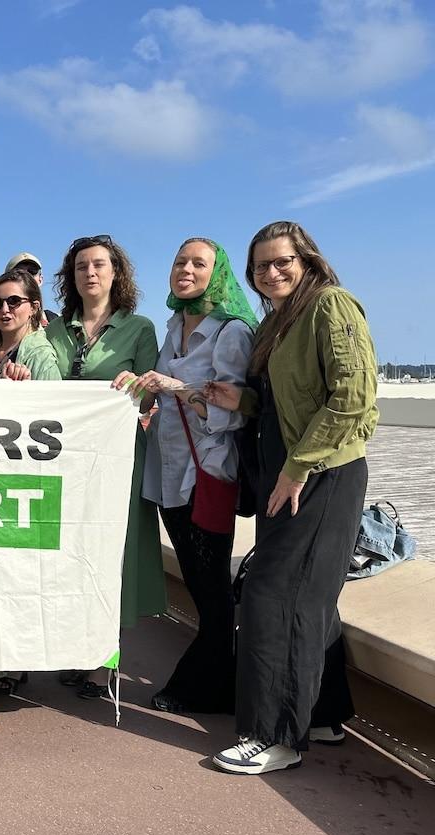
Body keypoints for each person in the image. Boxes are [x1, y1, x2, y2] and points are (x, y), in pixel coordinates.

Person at [203, 222, 377, 776]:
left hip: (322, 474)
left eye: (282, 262)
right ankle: (323, 714)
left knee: (274, 596)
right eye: (260, 266)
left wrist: (298, 469)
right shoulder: (279, 322)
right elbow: (286, 405)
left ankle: (275, 735)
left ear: (307, 261)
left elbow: (353, 398)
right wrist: (243, 401)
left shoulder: (331, 306)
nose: (271, 273)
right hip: (286, 474)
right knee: (309, 598)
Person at [111, 238, 257, 716]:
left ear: (217, 274)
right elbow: (154, 395)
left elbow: (232, 412)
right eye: (179, 262)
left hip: (206, 473)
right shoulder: (174, 326)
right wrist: (133, 387)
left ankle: (211, 685)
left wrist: (178, 387)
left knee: (211, 586)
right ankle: (222, 681)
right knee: (199, 584)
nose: (185, 270)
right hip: (168, 473)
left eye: (199, 263)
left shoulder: (229, 331)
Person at [44, 235, 167, 697]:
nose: (89, 273)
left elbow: (151, 389)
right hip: (67, 464)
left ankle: (106, 658)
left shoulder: (139, 329)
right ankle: (75, 646)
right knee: (71, 554)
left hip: (117, 461)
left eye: (98, 265)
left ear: (117, 272)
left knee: (113, 553)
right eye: (80, 267)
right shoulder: (54, 331)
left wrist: (138, 383)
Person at [0, 267, 60, 381]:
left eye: (14, 301)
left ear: (34, 307)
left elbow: (53, 397)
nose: (4, 309)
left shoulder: (41, 355)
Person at [5, 253, 58, 323]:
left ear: (40, 279)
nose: (27, 276)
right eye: (18, 272)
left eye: (32, 271)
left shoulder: (54, 320)